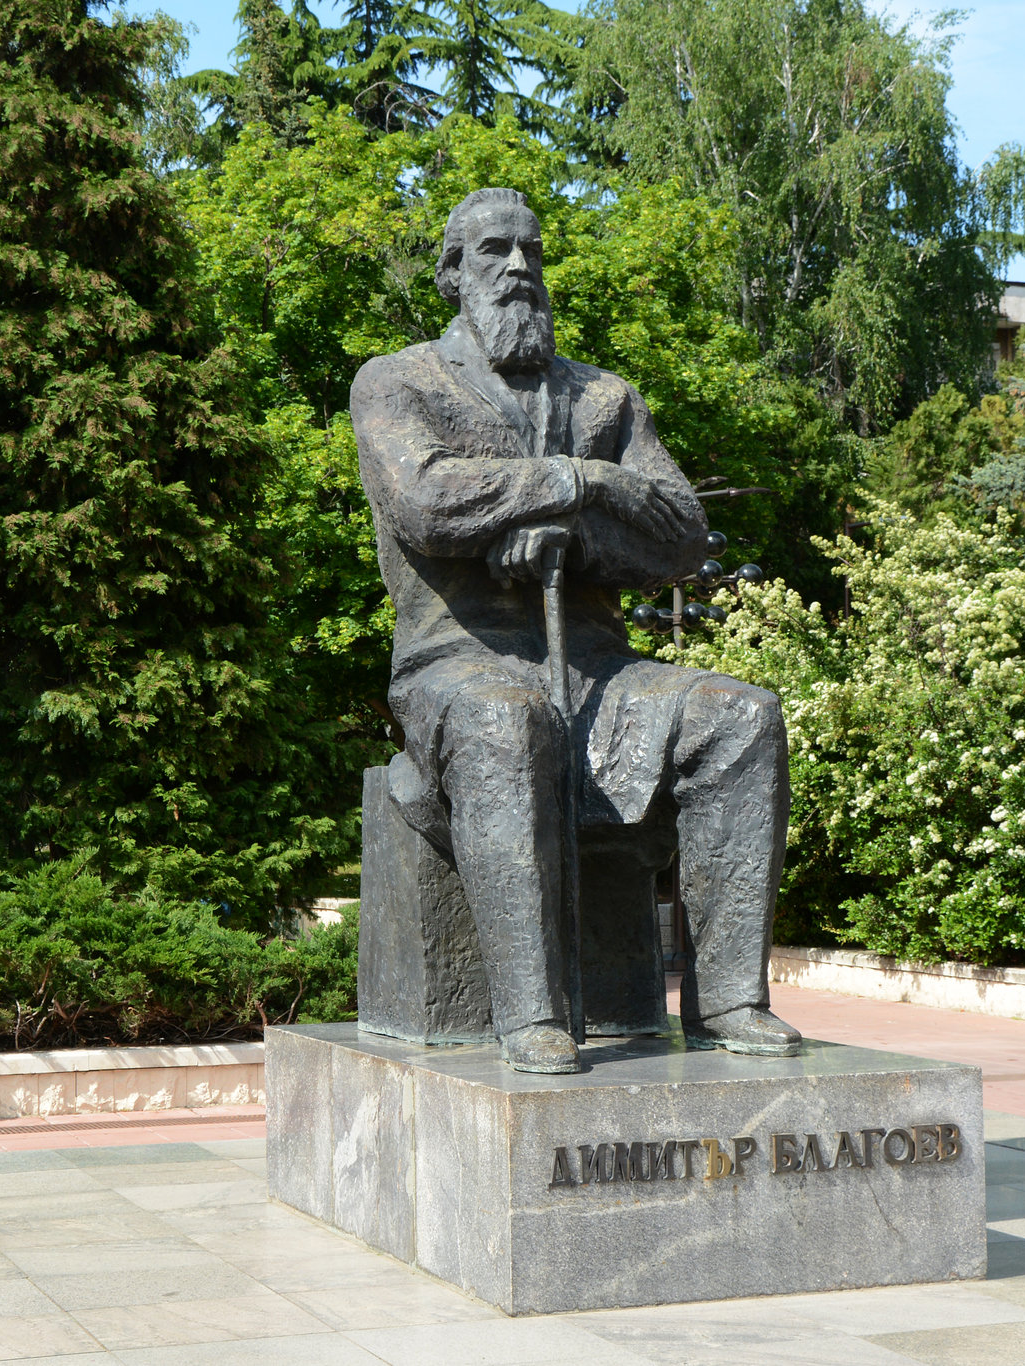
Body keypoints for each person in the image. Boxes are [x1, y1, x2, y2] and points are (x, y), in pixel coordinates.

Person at [352, 187, 802, 1073]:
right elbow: (430, 501)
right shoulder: (397, 381)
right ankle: (530, 1015)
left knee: (741, 717)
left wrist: (580, 525)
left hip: (600, 672)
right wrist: (573, 479)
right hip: (459, 664)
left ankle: (730, 1002)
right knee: (504, 722)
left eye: (530, 250)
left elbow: (680, 532)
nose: (518, 268)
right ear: (453, 275)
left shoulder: (604, 398)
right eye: (492, 252)